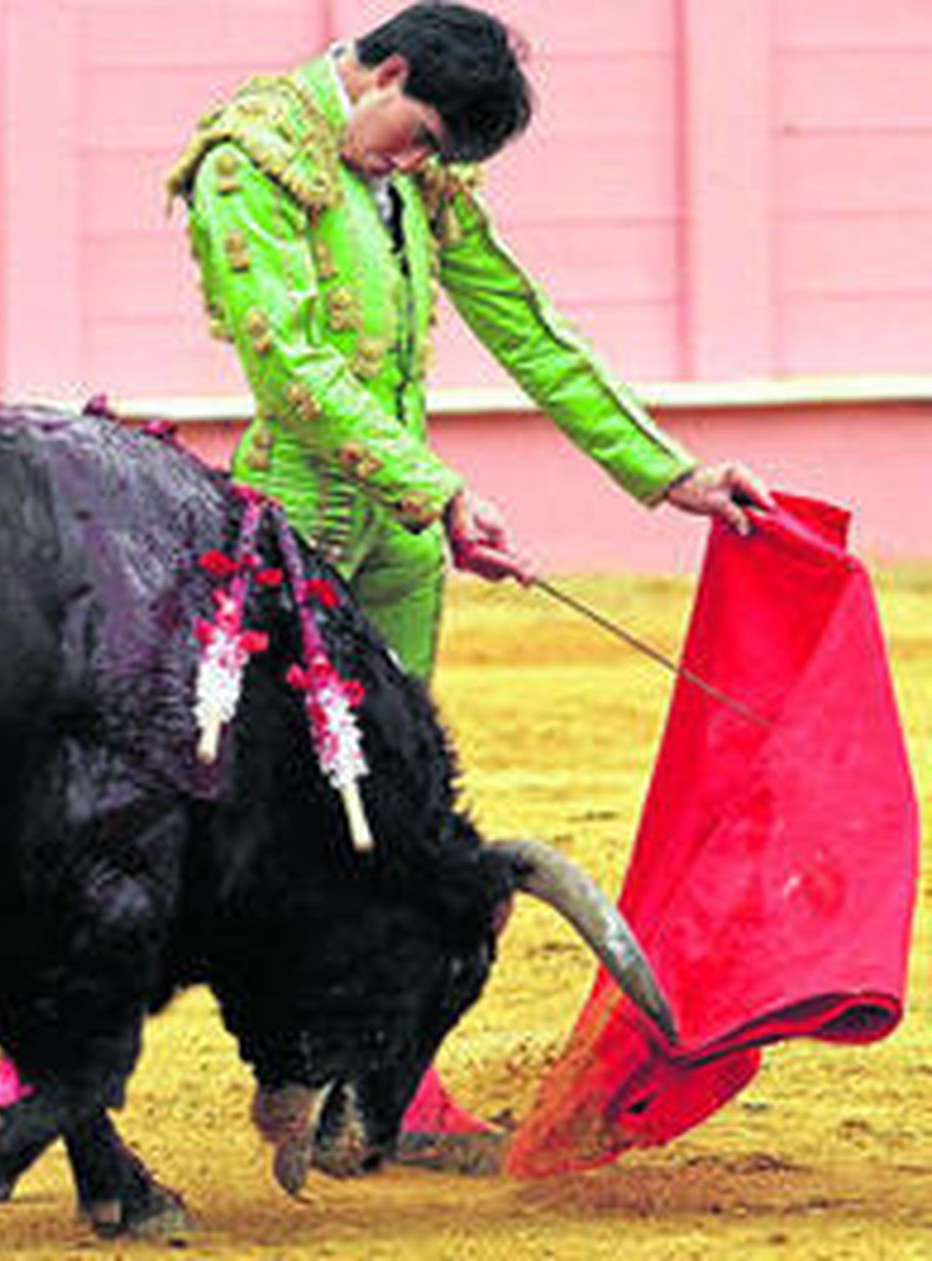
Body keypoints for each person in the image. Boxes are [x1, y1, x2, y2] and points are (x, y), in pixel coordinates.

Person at [158, 0, 772, 1164]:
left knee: (397, 818)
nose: (417, 163)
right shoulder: (249, 159)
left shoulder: (414, 179)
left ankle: (393, 1096)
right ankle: (27, 1074)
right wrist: (435, 491)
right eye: (418, 133)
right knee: (193, 796)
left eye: (435, 152)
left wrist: (667, 473)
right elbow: (287, 368)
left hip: (390, 543)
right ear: (383, 69)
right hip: (281, 540)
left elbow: (525, 329)